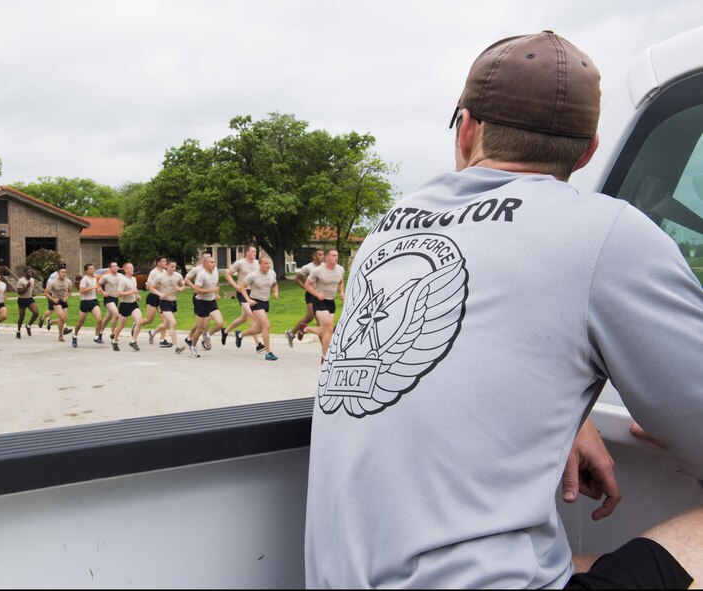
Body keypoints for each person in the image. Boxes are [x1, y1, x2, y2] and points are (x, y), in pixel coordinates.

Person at [305, 31, 702, 589]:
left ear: (466, 129)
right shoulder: (605, 232)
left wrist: (572, 416)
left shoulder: (386, 231)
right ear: (587, 151)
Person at [300, 248, 344, 362]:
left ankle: (305, 328)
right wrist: (317, 294)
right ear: (326, 257)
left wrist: (342, 292)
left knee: (326, 331)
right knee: (329, 328)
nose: (336, 257)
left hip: (331, 302)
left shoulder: (340, 269)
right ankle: (325, 357)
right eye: (333, 255)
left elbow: (340, 281)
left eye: (337, 255)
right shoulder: (318, 271)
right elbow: (307, 285)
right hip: (319, 302)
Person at [235, 255, 279, 361]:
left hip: (265, 302)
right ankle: (268, 353)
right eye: (265, 263)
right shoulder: (253, 275)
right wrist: (248, 300)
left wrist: (276, 291)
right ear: (260, 264)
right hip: (256, 302)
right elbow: (241, 287)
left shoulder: (272, 273)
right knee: (266, 325)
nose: (268, 265)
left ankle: (240, 335)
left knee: (257, 329)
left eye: (269, 263)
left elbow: (275, 284)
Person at [221, 245, 261, 352]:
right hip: (242, 292)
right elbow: (228, 275)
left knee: (243, 318)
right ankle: (258, 344)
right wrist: (236, 286)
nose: (255, 253)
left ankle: (225, 331)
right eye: (253, 251)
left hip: (254, 293)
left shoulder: (257, 263)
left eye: (256, 251)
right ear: (247, 252)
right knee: (252, 316)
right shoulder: (240, 263)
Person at [187, 253, 223, 358]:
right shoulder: (201, 274)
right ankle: (193, 347)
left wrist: (216, 294)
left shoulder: (215, 271)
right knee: (200, 328)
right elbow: (197, 290)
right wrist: (212, 290)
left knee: (220, 323)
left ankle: (207, 336)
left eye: (214, 262)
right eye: (212, 262)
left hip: (211, 301)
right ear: (206, 264)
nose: (214, 264)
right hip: (200, 302)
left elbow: (215, 284)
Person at [286, 249, 324, 347]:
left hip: (320, 295)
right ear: (314, 256)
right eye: (320, 255)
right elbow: (297, 279)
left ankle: (292, 333)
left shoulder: (324, 267)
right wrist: (306, 287)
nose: (322, 256)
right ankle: (325, 351)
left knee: (308, 318)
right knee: (318, 321)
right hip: (311, 295)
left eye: (323, 255)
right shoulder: (307, 267)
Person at [149, 258, 187, 354]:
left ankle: (152, 333)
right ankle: (176, 346)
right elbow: (151, 288)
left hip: (173, 302)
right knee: (173, 323)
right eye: (172, 267)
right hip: (164, 302)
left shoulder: (178, 276)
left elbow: (183, 285)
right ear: (167, 266)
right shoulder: (160, 277)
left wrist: (180, 288)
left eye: (175, 267)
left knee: (165, 324)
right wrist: (160, 294)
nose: (174, 268)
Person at [111, 262, 144, 351]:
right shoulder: (123, 280)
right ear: (125, 270)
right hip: (124, 305)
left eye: (132, 268)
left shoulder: (134, 279)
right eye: (130, 268)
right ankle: (114, 340)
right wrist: (130, 292)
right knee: (121, 325)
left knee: (140, 322)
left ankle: (133, 341)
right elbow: (118, 294)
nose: (132, 269)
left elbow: (135, 290)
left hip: (133, 304)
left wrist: (137, 295)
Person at [72, 263, 103, 347]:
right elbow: (81, 291)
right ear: (87, 271)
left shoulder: (94, 278)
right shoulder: (84, 279)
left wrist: (98, 290)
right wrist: (92, 288)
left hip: (94, 301)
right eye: (91, 269)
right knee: (81, 322)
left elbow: (96, 288)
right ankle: (74, 336)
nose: (93, 270)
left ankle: (96, 337)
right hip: (85, 302)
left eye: (93, 268)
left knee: (99, 319)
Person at [142, 256, 169, 345]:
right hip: (153, 297)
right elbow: (149, 287)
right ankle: (137, 325)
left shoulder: (165, 272)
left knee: (164, 320)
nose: (165, 263)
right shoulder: (153, 272)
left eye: (165, 261)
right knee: (149, 320)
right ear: (158, 263)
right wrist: (158, 285)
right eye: (163, 261)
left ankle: (162, 340)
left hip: (161, 298)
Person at [43, 265, 73, 342]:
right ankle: (60, 336)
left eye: (65, 272)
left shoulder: (68, 281)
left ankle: (51, 321)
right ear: (58, 273)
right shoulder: (53, 282)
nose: (64, 273)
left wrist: (67, 297)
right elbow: (46, 293)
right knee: (62, 317)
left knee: (64, 319)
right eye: (62, 272)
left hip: (64, 301)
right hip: (57, 301)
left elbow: (70, 291)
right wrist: (53, 299)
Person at [97, 262, 121, 342]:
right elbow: (98, 285)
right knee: (116, 315)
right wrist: (103, 292)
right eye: (113, 266)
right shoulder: (106, 277)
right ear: (110, 268)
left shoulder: (121, 276)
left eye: (116, 266)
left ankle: (100, 333)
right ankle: (112, 333)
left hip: (115, 298)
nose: (115, 267)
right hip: (108, 299)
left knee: (108, 317)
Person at [15, 267, 39, 339]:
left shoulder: (32, 280)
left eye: (31, 272)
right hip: (22, 300)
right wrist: (27, 287)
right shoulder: (21, 281)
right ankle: (18, 331)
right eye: (29, 272)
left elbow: (31, 288)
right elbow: (20, 292)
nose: (30, 273)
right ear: (25, 273)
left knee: (36, 313)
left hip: (29, 299)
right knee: (21, 317)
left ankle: (28, 325)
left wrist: (32, 293)